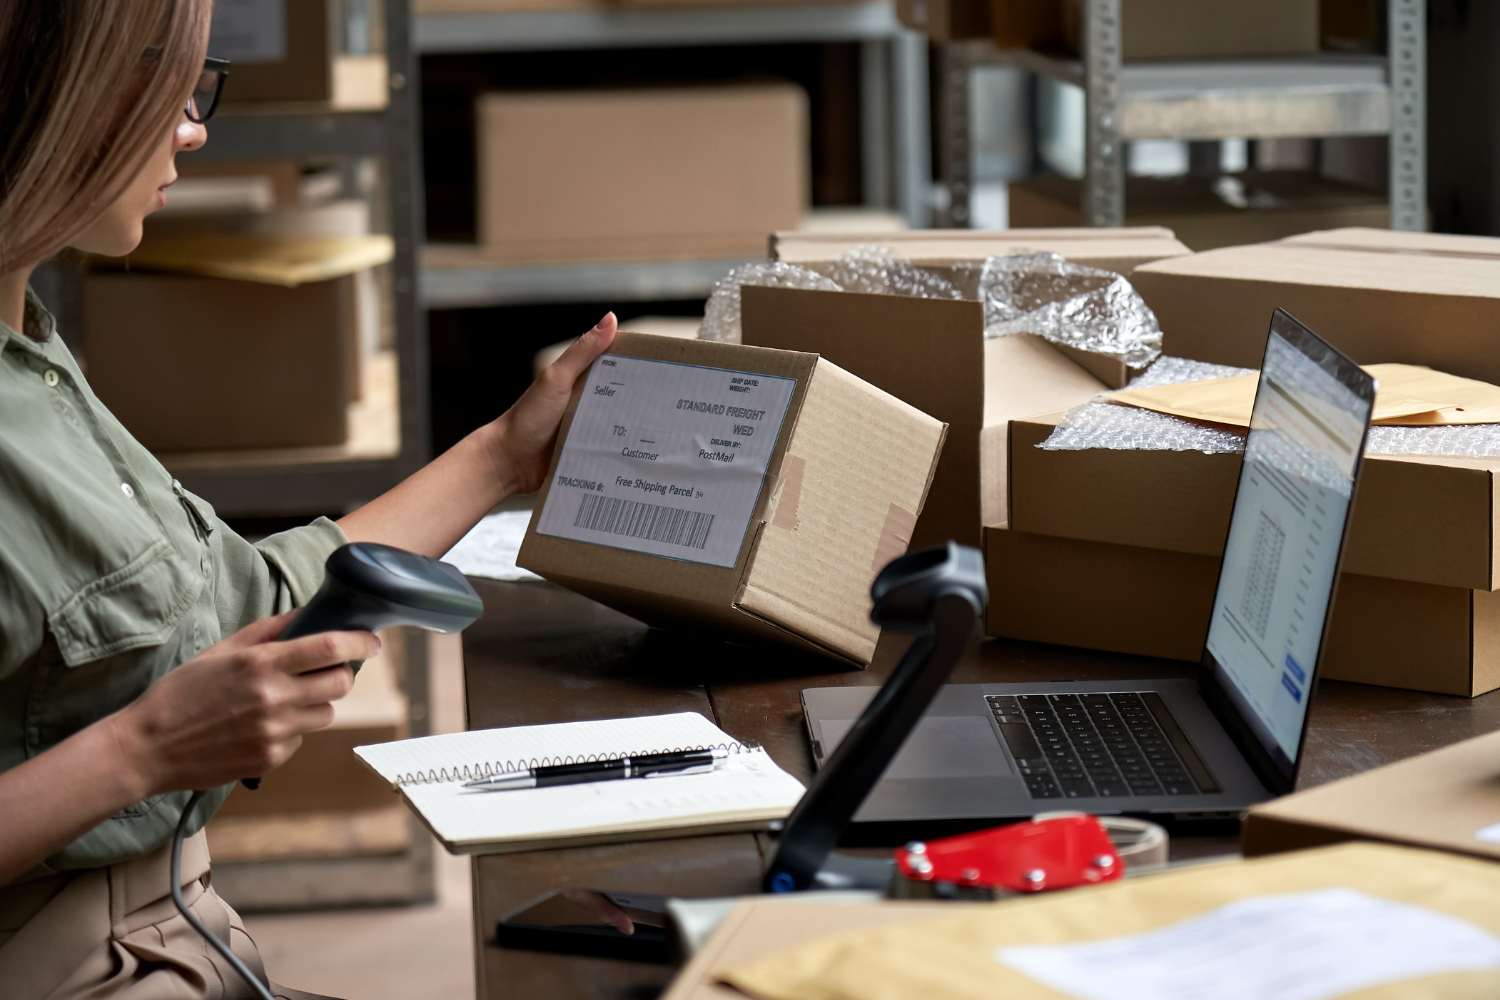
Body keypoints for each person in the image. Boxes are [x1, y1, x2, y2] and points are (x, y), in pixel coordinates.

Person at [0, 2, 616, 996]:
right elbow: (152, 713)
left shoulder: (30, 347)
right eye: (161, 80)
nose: (193, 125)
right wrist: (142, 748)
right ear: (37, 89)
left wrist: (508, 453)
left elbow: (240, 595)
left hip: (178, 935)